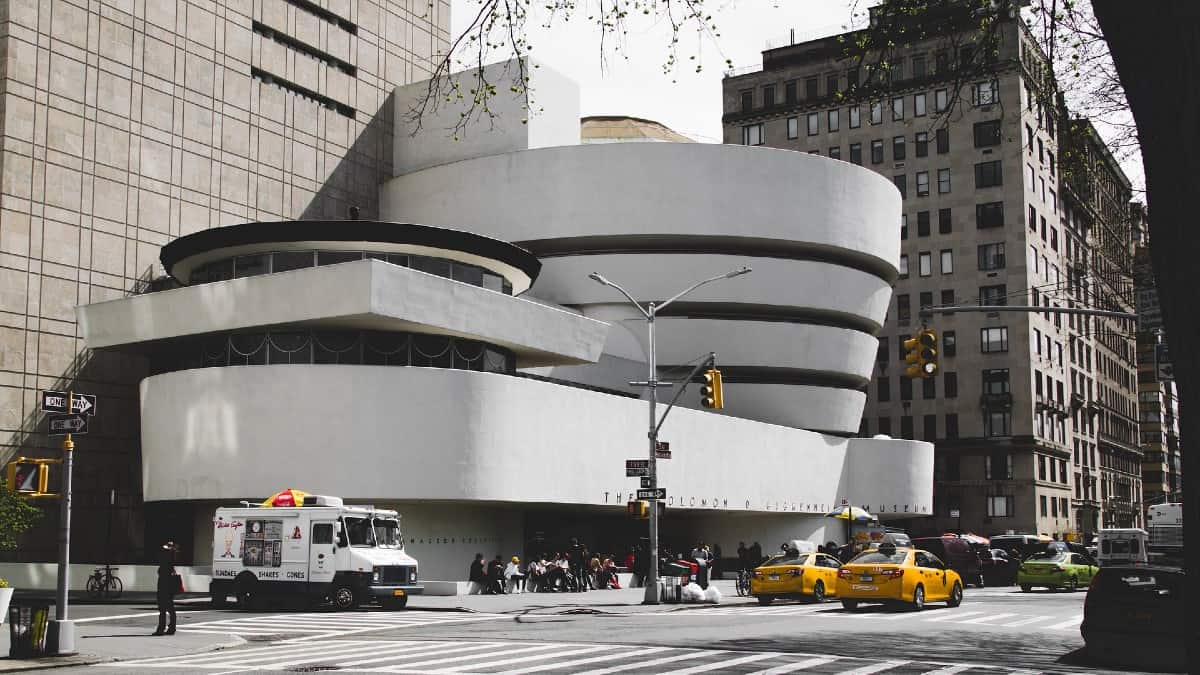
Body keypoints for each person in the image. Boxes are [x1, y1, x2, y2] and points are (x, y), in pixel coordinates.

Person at [153, 541, 179, 636]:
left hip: (164, 587)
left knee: (163, 609)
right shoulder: (171, 562)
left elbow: (161, 573)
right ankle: (172, 627)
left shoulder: (165, 563)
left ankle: (161, 628)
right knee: (170, 607)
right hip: (169, 587)